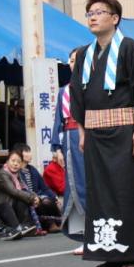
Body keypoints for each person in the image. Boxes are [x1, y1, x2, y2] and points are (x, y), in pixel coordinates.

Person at [69, 0, 134, 267]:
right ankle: (108, 253)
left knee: (124, 189)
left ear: (115, 18)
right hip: (95, 132)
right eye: (90, 13)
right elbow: (77, 95)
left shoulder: (131, 49)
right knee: (100, 192)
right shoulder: (84, 54)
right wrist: (82, 130)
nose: (93, 17)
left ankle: (132, 254)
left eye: (99, 12)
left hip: (123, 130)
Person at [51, 50, 87, 253]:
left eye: (75, 60)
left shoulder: (90, 87)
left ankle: (93, 233)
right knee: (73, 186)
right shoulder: (64, 91)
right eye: (70, 61)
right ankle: (83, 234)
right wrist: (56, 147)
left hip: (86, 139)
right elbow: (58, 120)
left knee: (87, 184)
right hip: (68, 139)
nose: (72, 64)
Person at [0, 147, 44, 239]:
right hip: (0, 207)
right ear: (7, 161)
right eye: (13, 161)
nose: (15, 164)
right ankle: (18, 227)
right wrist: (31, 198)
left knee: (24, 199)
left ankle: (24, 226)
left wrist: (35, 197)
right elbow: (14, 191)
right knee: (20, 199)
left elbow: (25, 189)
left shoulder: (16, 174)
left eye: (18, 162)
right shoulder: (2, 174)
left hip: (11, 204)